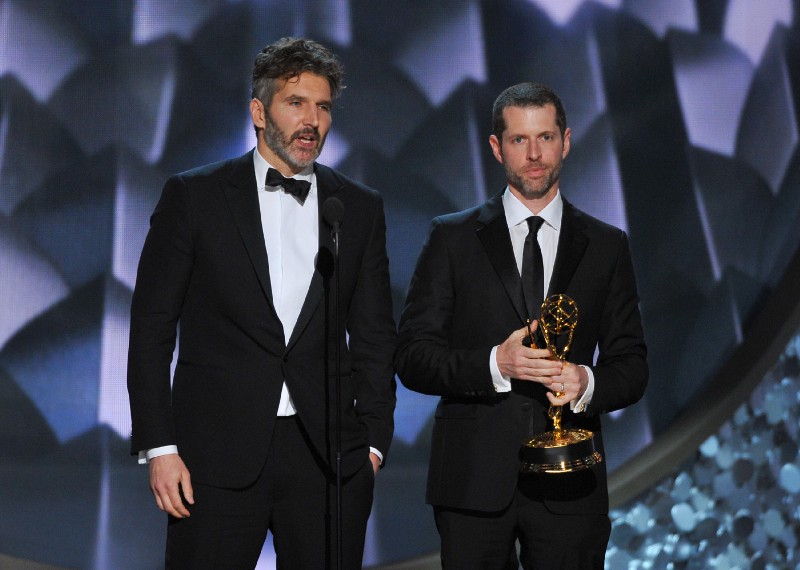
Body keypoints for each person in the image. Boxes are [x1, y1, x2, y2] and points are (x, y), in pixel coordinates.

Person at [127, 37, 396, 569]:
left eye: (323, 107)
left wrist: (373, 448)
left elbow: (374, 337)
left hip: (328, 460)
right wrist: (160, 447)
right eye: (296, 103)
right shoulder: (194, 197)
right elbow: (151, 329)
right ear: (258, 111)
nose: (311, 121)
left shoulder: (359, 208)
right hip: (213, 458)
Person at [395, 82, 648, 569]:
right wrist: (497, 363)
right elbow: (412, 356)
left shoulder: (607, 244)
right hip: (471, 483)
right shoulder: (451, 238)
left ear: (567, 141)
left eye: (546, 138)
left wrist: (585, 380)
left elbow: (633, 365)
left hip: (571, 483)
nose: (534, 154)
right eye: (518, 140)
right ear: (496, 147)